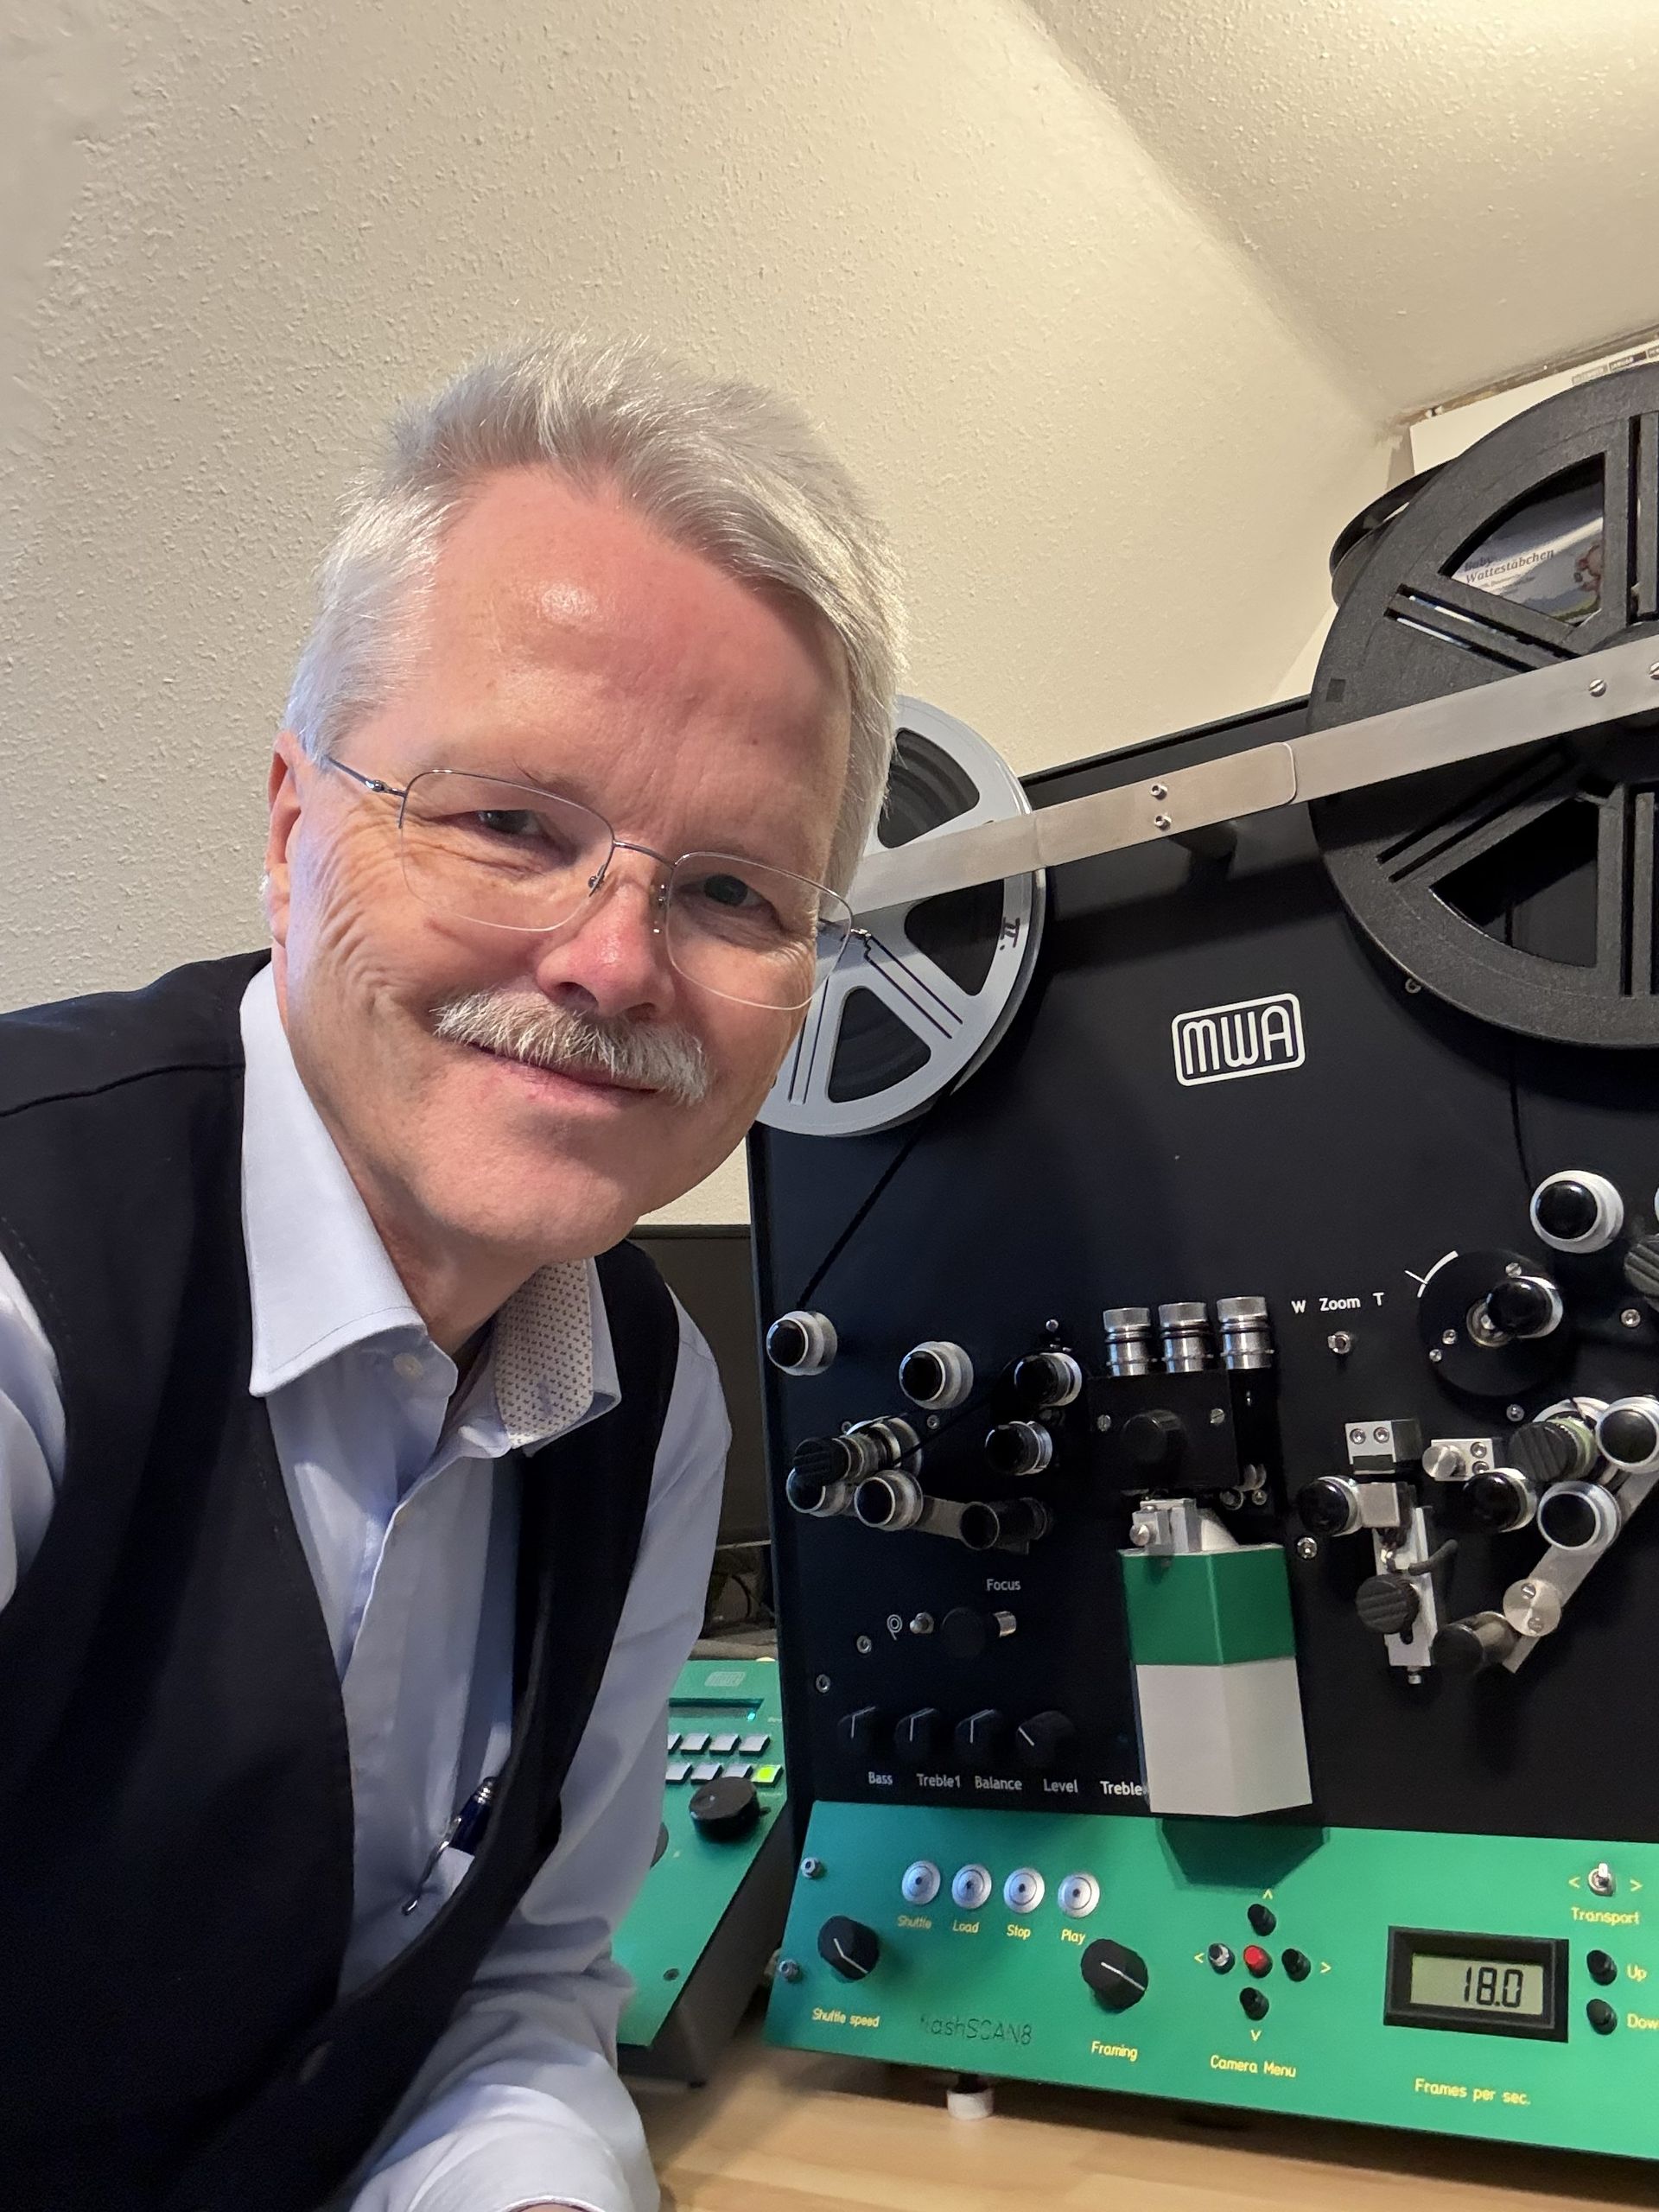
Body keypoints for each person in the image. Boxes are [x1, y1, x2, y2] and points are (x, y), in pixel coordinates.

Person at [0, 333, 902, 2212]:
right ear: (290, 830)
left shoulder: (648, 1398)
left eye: (733, 892)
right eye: (508, 823)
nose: (614, 961)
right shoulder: (29, 1265)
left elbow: (510, 1996)